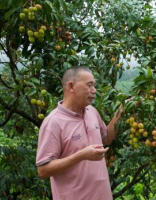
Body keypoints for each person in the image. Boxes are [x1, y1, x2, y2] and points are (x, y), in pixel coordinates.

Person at [36, 66, 122, 200]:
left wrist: (121, 111)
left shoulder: (91, 111)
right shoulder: (53, 122)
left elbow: (106, 139)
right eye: (89, 85)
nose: (94, 91)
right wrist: (81, 156)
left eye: (94, 85)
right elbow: (43, 170)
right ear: (71, 87)